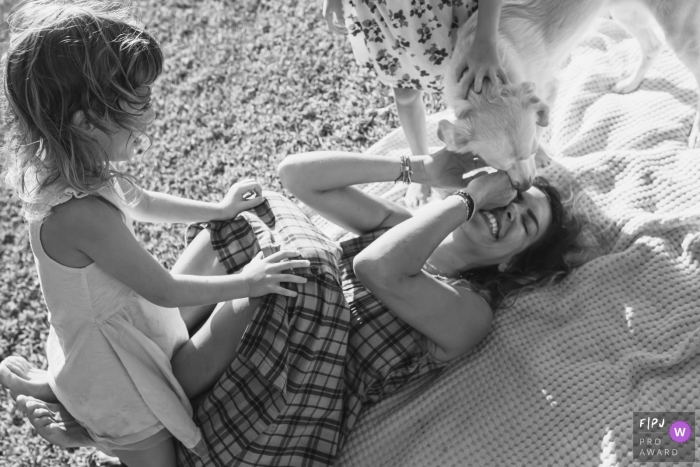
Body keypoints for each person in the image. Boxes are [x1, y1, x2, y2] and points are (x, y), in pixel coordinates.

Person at [5, 145, 585, 466]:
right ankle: (111, 404)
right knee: (251, 216)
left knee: (301, 265)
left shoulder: (471, 310)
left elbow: (376, 270)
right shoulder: (402, 224)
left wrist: (466, 198)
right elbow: (295, 177)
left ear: (514, 262)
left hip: (297, 397)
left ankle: (110, 423)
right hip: (257, 330)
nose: (507, 212)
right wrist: (419, 170)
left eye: (523, 220)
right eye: (513, 199)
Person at [0, 2, 310, 466]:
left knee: (169, 362)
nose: (149, 116)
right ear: (85, 122)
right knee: (159, 454)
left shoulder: (78, 169)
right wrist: (250, 281)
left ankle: (62, 386)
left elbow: (141, 201)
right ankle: (89, 433)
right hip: (115, 382)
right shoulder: (79, 214)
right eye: (138, 103)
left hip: (121, 329)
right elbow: (164, 290)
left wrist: (219, 208)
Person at [322, 0, 510, 207]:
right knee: (404, 93)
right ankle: (422, 168)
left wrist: (485, 39)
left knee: (477, 85)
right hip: (386, 15)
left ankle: (516, 153)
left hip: (445, 12)